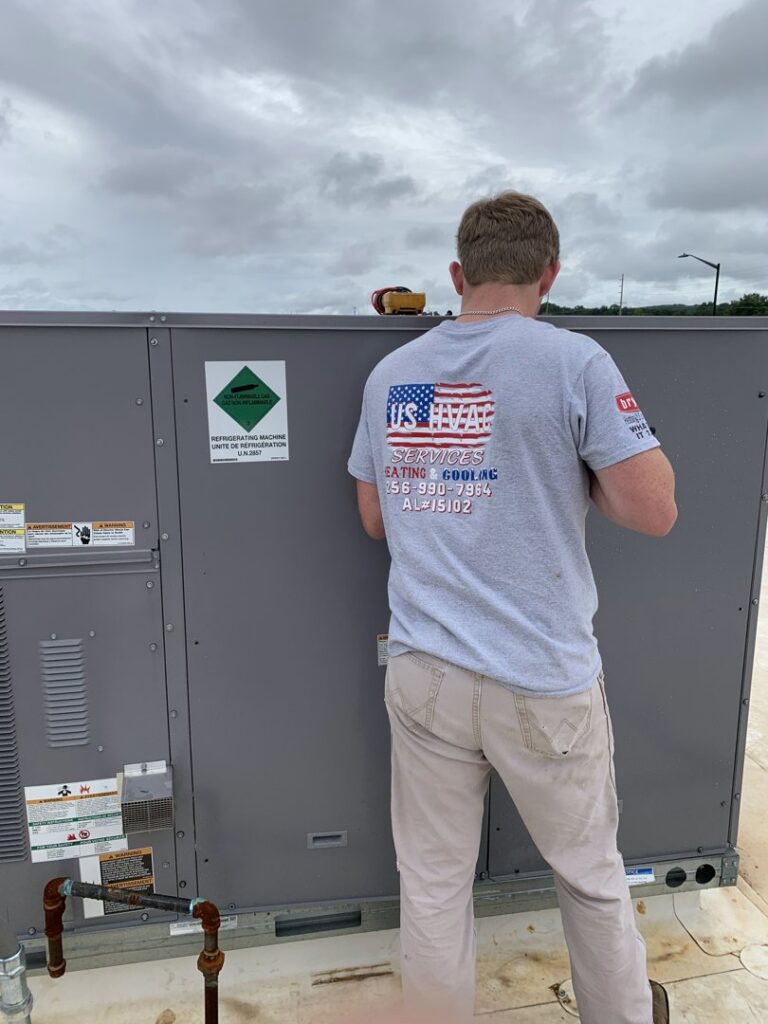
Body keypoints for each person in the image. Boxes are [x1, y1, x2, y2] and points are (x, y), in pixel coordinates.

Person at [348, 191, 676, 1024]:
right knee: (591, 880)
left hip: (424, 675)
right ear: (549, 274)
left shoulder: (393, 374)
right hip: (541, 680)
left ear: (457, 275)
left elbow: (375, 517)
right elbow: (655, 509)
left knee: (430, 886)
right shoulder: (573, 362)